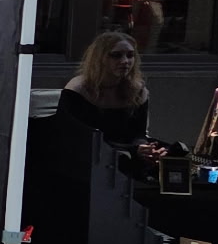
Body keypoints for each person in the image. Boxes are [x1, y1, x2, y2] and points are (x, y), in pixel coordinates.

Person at [58, 31, 166, 161]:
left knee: (172, 153)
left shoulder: (137, 90)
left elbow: (138, 133)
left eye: (130, 55)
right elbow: (76, 137)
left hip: (128, 152)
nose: (125, 61)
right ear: (100, 59)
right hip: (86, 156)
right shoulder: (78, 89)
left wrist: (146, 148)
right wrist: (132, 150)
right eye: (116, 55)